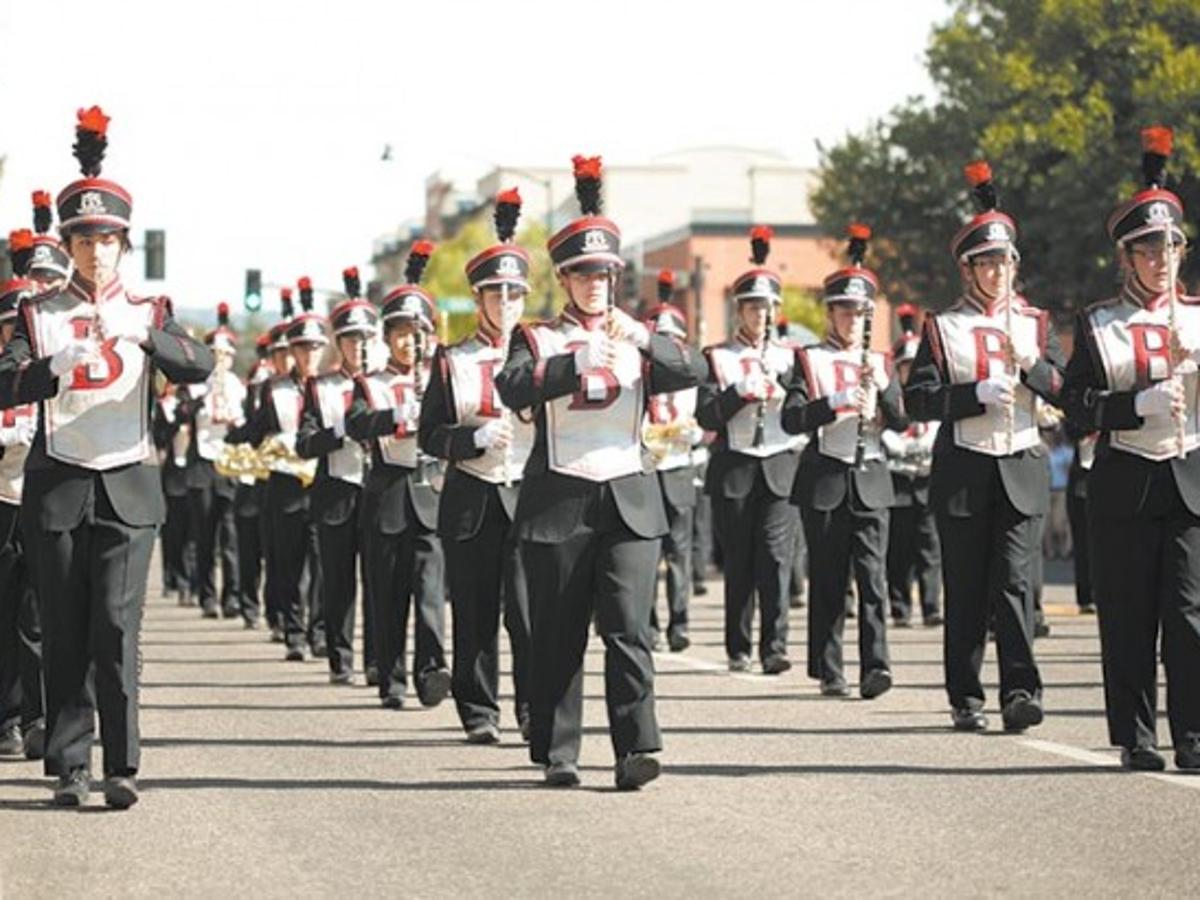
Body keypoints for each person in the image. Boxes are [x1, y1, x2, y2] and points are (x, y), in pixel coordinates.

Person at [0, 107, 213, 807]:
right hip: (59, 482)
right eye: (84, 240)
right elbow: (5, 380)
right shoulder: (38, 315)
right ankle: (68, 764)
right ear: (69, 243)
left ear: (126, 245)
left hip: (127, 482)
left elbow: (198, 365)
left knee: (117, 624)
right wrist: (48, 368)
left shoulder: (151, 308)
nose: (96, 252)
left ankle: (120, 763)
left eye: (108, 240)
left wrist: (150, 340)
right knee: (62, 623)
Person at [496, 155, 705, 789]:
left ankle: (635, 747)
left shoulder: (636, 334)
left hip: (628, 498)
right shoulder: (537, 338)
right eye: (584, 275)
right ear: (563, 278)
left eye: (605, 275)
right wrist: (574, 364)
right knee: (559, 634)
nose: (595, 286)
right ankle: (559, 752)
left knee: (628, 627)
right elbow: (511, 386)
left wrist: (640, 339)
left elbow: (688, 371)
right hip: (560, 495)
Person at [904, 159, 1064, 733]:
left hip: (1020, 461)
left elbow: (1067, 388)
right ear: (968, 270)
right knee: (967, 586)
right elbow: (916, 401)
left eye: (1005, 261)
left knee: (1015, 582)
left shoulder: (1036, 324)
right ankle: (965, 694)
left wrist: (1034, 369)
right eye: (986, 263)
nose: (998, 272)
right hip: (965, 466)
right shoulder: (942, 328)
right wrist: (972, 393)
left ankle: (1020, 691)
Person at [1062, 126, 1200, 772]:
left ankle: (1194, 735)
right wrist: (1132, 406)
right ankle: (1136, 736)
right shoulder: (1098, 324)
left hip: (1190, 475)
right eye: (1146, 251)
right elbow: (1072, 409)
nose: (1159, 262)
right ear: (1127, 258)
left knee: (1190, 616)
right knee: (1128, 617)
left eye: (1168, 249)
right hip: (1125, 481)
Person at [420, 189, 534, 742]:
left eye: (515, 295)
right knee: (476, 611)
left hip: (529, 494)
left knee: (531, 612)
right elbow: (429, 434)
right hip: (473, 494)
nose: (507, 305)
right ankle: (479, 710)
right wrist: (474, 438)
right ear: (478, 297)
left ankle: (534, 708)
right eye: (497, 295)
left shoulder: (544, 355)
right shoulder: (453, 359)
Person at [783, 224, 904, 699]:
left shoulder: (881, 359)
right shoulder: (809, 359)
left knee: (873, 578)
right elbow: (793, 418)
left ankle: (877, 666)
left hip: (871, 476)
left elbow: (901, 417)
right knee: (830, 580)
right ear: (830, 313)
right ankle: (830, 667)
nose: (853, 319)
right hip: (827, 476)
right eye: (845, 311)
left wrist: (881, 394)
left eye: (861, 312)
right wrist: (835, 401)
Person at [346, 242, 451, 710]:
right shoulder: (370, 383)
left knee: (430, 593)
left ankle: (432, 669)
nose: (411, 342)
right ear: (387, 338)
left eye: (417, 333)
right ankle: (391, 678)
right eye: (402, 333)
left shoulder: (439, 377)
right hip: (387, 494)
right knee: (388, 597)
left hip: (429, 493)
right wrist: (394, 415)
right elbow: (355, 425)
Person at [697, 226, 804, 674]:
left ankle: (774, 646)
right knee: (739, 560)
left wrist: (783, 393)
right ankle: (739, 645)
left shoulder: (794, 355)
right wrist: (739, 391)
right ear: (738, 310)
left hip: (780, 463)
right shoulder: (717, 356)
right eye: (752, 306)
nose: (760, 314)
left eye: (767, 307)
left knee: (777, 557)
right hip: (737, 466)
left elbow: (803, 405)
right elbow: (705, 415)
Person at [228, 280, 322, 660]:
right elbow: (255, 428)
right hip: (284, 485)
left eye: (314, 348)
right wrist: (231, 436)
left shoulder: (334, 385)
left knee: (323, 566)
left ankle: (319, 631)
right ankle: (294, 632)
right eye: (301, 348)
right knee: (287, 562)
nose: (307, 355)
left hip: (322, 485)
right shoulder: (274, 390)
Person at [297, 267, 377, 685]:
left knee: (379, 581)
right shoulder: (321, 387)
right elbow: (304, 443)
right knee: (339, 581)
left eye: (365, 339)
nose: (359, 348)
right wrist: (339, 432)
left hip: (377, 491)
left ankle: (378, 662)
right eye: (351, 339)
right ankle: (340, 658)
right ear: (339, 343)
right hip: (336, 491)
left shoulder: (385, 383)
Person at [642, 269, 704, 653]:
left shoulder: (690, 379)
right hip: (647, 470)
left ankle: (679, 622)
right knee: (648, 554)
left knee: (679, 553)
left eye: (674, 342)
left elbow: (701, 422)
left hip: (679, 467)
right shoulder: (639, 377)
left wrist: (693, 434)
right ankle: (647, 625)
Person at [0, 269, 42, 761]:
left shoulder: (49, 372)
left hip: (43, 500)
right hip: (3, 501)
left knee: (40, 616)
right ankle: (7, 718)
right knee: (6, 614)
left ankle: (39, 714)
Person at [179, 303, 244, 620]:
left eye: (225, 355)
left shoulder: (237, 386)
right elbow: (182, 414)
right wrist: (204, 395)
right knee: (204, 535)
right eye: (214, 355)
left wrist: (235, 421)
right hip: (202, 464)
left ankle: (231, 595)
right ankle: (206, 595)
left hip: (229, 463)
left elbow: (248, 424)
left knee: (230, 536)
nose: (220, 361)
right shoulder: (194, 385)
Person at [882, 304, 942, 628]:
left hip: (928, 483)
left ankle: (932, 606)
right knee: (899, 552)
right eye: (904, 366)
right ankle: (900, 607)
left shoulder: (927, 398)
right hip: (898, 485)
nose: (909, 372)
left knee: (930, 549)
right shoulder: (893, 402)